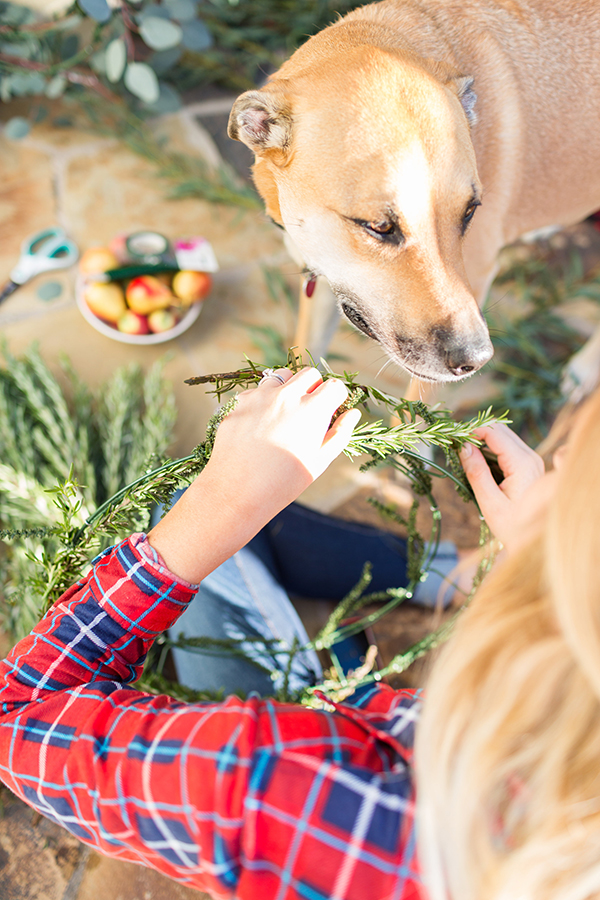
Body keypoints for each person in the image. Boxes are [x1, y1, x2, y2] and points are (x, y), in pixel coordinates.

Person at [0, 365, 587, 900]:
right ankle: (451, 577)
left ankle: (360, 632)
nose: (553, 461)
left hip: (321, 751)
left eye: (572, 469)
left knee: (191, 510)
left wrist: (222, 499)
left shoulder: (279, 788)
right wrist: (535, 562)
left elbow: (18, 714)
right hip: (384, 730)